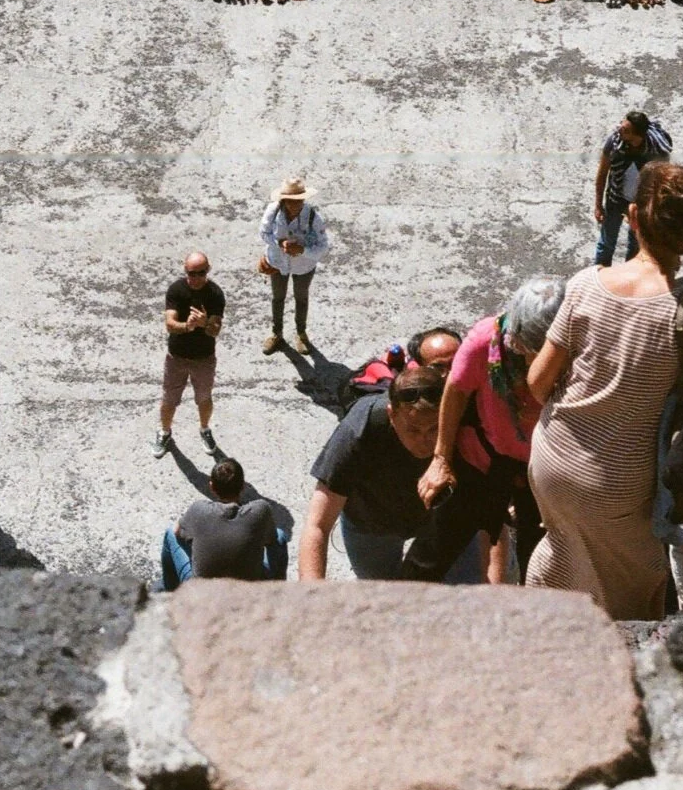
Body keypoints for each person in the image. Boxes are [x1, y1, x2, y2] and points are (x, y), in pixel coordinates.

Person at [525, 163, 683, 620]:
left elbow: (538, 382)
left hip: (553, 461)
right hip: (617, 481)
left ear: (632, 218)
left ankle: (546, 638)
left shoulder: (586, 284)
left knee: (564, 553)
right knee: (628, 587)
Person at [413, 277, 565, 584]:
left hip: (545, 466)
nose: (537, 360)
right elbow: (455, 390)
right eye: (530, 350)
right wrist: (441, 459)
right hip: (485, 458)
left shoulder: (572, 346)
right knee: (432, 553)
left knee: (541, 554)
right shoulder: (488, 339)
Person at [298, 367, 482, 583]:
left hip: (445, 519)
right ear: (391, 414)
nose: (424, 441)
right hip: (371, 523)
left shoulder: (462, 420)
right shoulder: (360, 429)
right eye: (413, 430)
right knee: (381, 594)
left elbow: (489, 510)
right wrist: (311, 593)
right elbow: (317, 524)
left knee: (466, 590)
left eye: (434, 429)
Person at [161, 457, 287, 588]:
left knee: (170, 533)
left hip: (202, 591)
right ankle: (276, 592)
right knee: (280, 535)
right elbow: (270, 539)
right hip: (249, 587)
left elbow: (176, 531)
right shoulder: (261, 510)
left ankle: (171, 593)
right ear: (243, 485)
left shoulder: (199, 510)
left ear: (212, 487)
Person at [157, 252, 225, 459]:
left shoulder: (215, 294)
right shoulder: (176, 290)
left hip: (204, 358)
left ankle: (205, 429)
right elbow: (169, 324)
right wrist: (188, 326)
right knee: (169, 398)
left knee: (204, 398)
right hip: (177, 357)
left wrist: (204, 323)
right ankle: (165, 432)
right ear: (185, 270)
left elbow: (215, 329)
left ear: (208, 270)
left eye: (200, 273)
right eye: (191, 273)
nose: (195, 278)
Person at [257, 177, 329, 356]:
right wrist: (279, 242)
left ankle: (301, 334)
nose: (295, 205)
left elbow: (323, 247)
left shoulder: (313, 217)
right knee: (278, 298)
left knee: (301, 298)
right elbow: (263, 233)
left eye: (299, 201)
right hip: (278, 263)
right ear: (284, 200)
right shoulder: (273, 211)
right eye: (291, 201)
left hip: (303, 266)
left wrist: (302, 250)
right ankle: (277, 333)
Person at [593, 110, 673, 266]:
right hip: (616, 198)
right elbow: (602, 174)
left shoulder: (656, 151)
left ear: (638, 136)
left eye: (626, 130)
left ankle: (628, 279)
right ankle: (600, 276)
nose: (619, 130)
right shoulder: (614, 143)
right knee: (606, 243)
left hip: (641, 202)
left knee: (635, 245)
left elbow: (662, 179)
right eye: (622, 125)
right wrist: (598, 205)